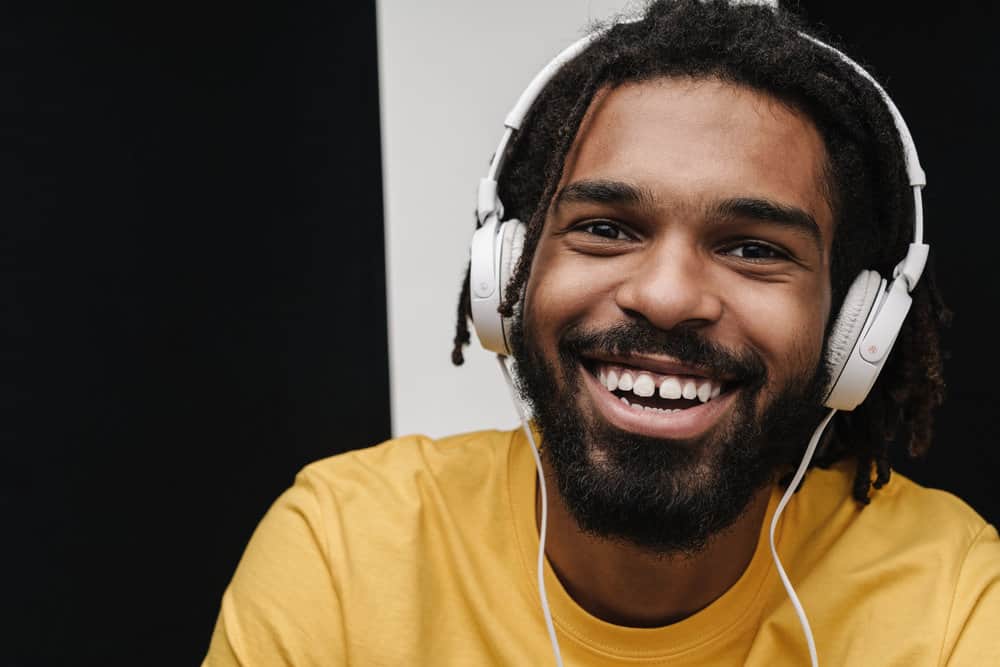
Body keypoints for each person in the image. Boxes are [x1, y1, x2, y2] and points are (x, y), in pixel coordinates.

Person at [203, 1, 999, 664]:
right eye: (607, 229)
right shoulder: (344, 551)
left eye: (753, 248)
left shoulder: (950, 598)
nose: (664, 295)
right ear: (507, 275)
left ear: (851, 325)